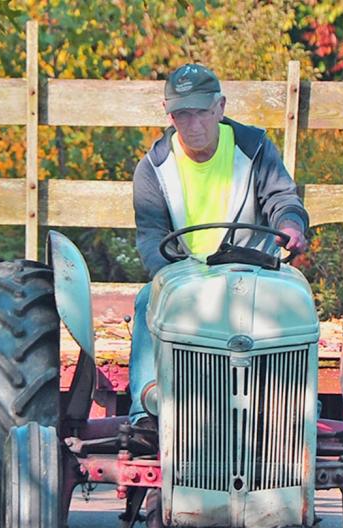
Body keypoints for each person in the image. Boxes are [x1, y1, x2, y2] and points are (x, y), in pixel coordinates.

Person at [128, 63, 310, 430]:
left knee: (295, 305)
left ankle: (293, 410)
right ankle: (145, 408)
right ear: (168, 112)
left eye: (201, 113)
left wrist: (290, 225)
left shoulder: (254, 148)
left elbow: (282, 199)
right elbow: (151, 236)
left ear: (220, 107)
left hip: (253, 273)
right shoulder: (152, 168)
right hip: (185, 280)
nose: (193, 125)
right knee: (149, 299)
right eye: (182, 114)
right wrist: (169, 277)